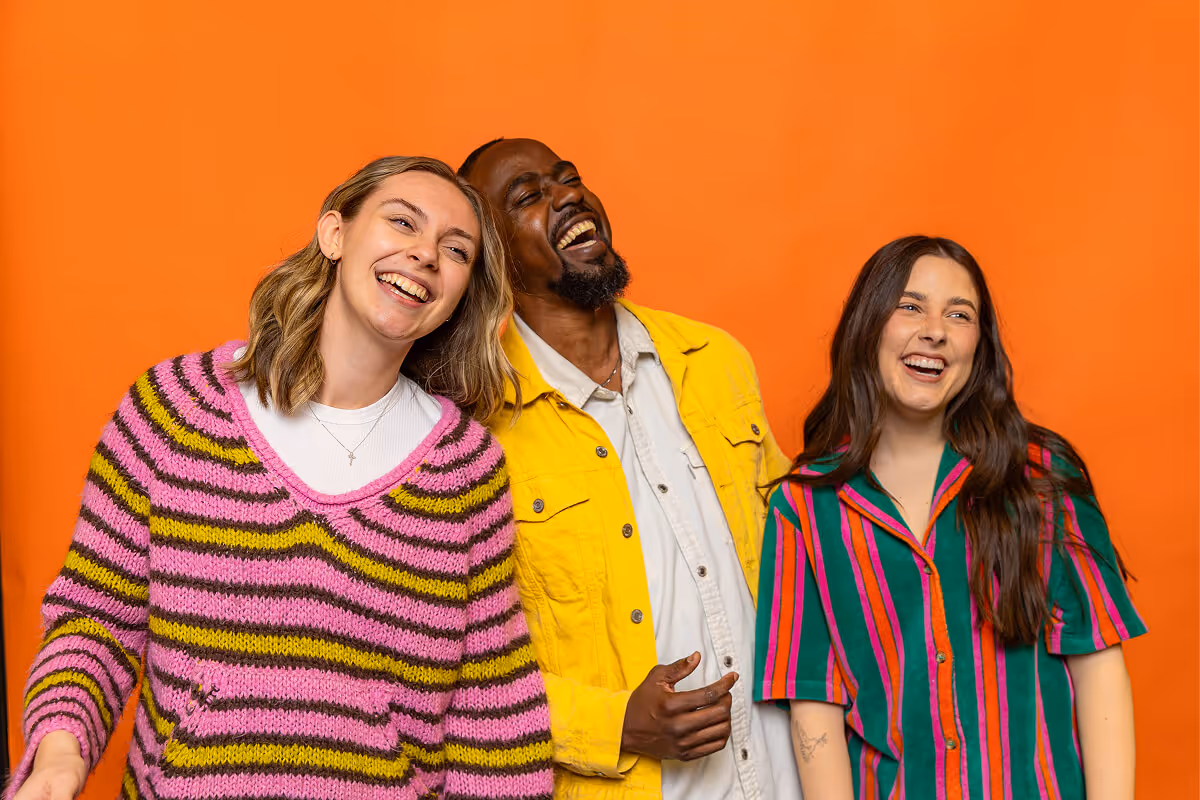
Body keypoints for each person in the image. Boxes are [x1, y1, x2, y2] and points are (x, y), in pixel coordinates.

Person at [9, 156, 554, 800]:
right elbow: (94, 621)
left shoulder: (466, 468)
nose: (426, 254)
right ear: (335, 234)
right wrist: (58, 753)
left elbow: (493, 711)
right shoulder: (176, 408)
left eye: (456, 250)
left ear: (462, 293)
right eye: (403, 222)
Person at [459, 137, 802, 799]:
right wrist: (613, 724)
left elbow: (799, 563)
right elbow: (464, 673)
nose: (568, 196)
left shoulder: (714, 360)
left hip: (790, 778)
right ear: (492, 255)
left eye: (569, 177)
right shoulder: (478, 429)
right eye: (529, 197)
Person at [754, 235, 1146, 799]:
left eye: (959, 315)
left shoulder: (1040, 475)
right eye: (910, 306)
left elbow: (1098, 665)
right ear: (868, 326)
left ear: (979, 345)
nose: (934, 330)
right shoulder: (805, 505)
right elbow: (813, 706)